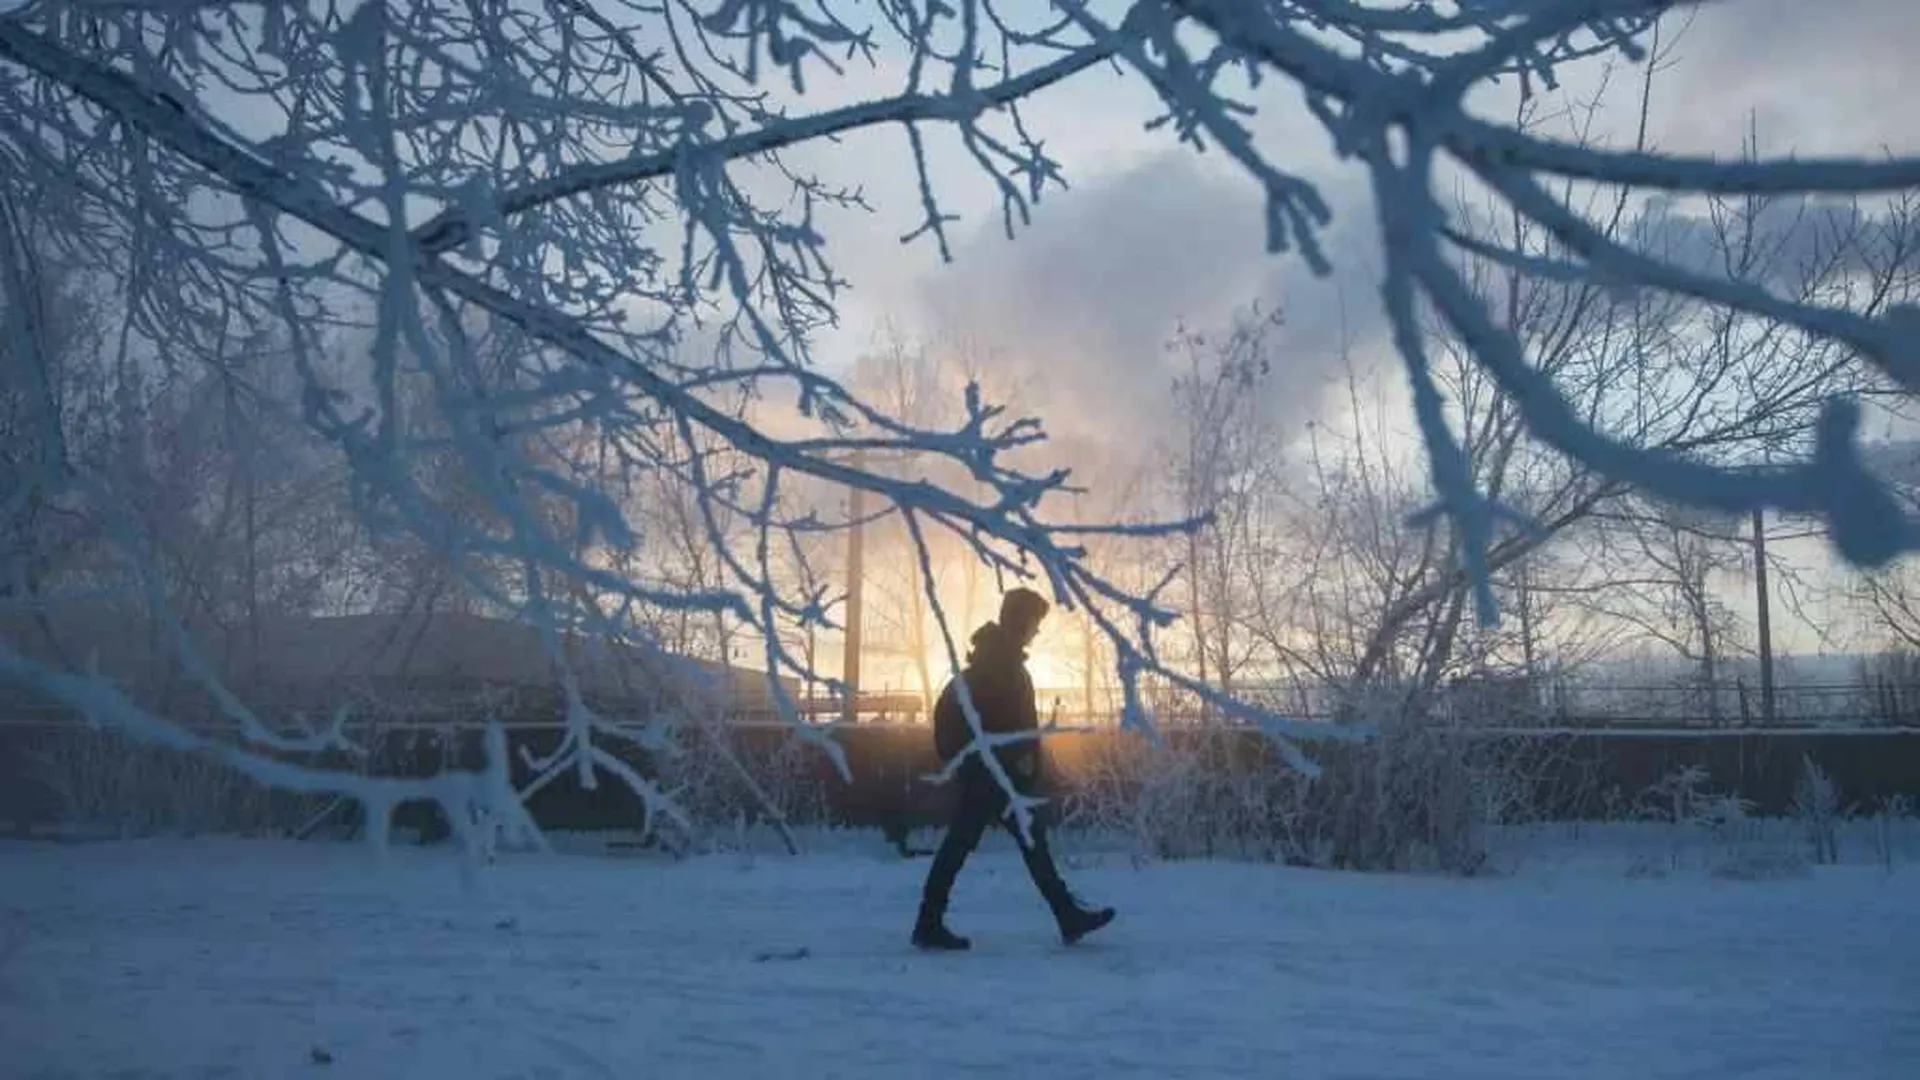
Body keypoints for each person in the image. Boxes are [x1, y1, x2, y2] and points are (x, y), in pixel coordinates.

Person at [912, 587, 1116, 951]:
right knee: (992, 843)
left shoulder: (998, 663)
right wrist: (991, 762)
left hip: (996, 775)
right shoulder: (996, 667)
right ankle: (1064, 915)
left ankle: (931, 920)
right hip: (992, 777)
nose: (1036, 631)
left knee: (984, 843)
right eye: (1034, 623)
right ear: (1021, 621)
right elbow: (990, 725)